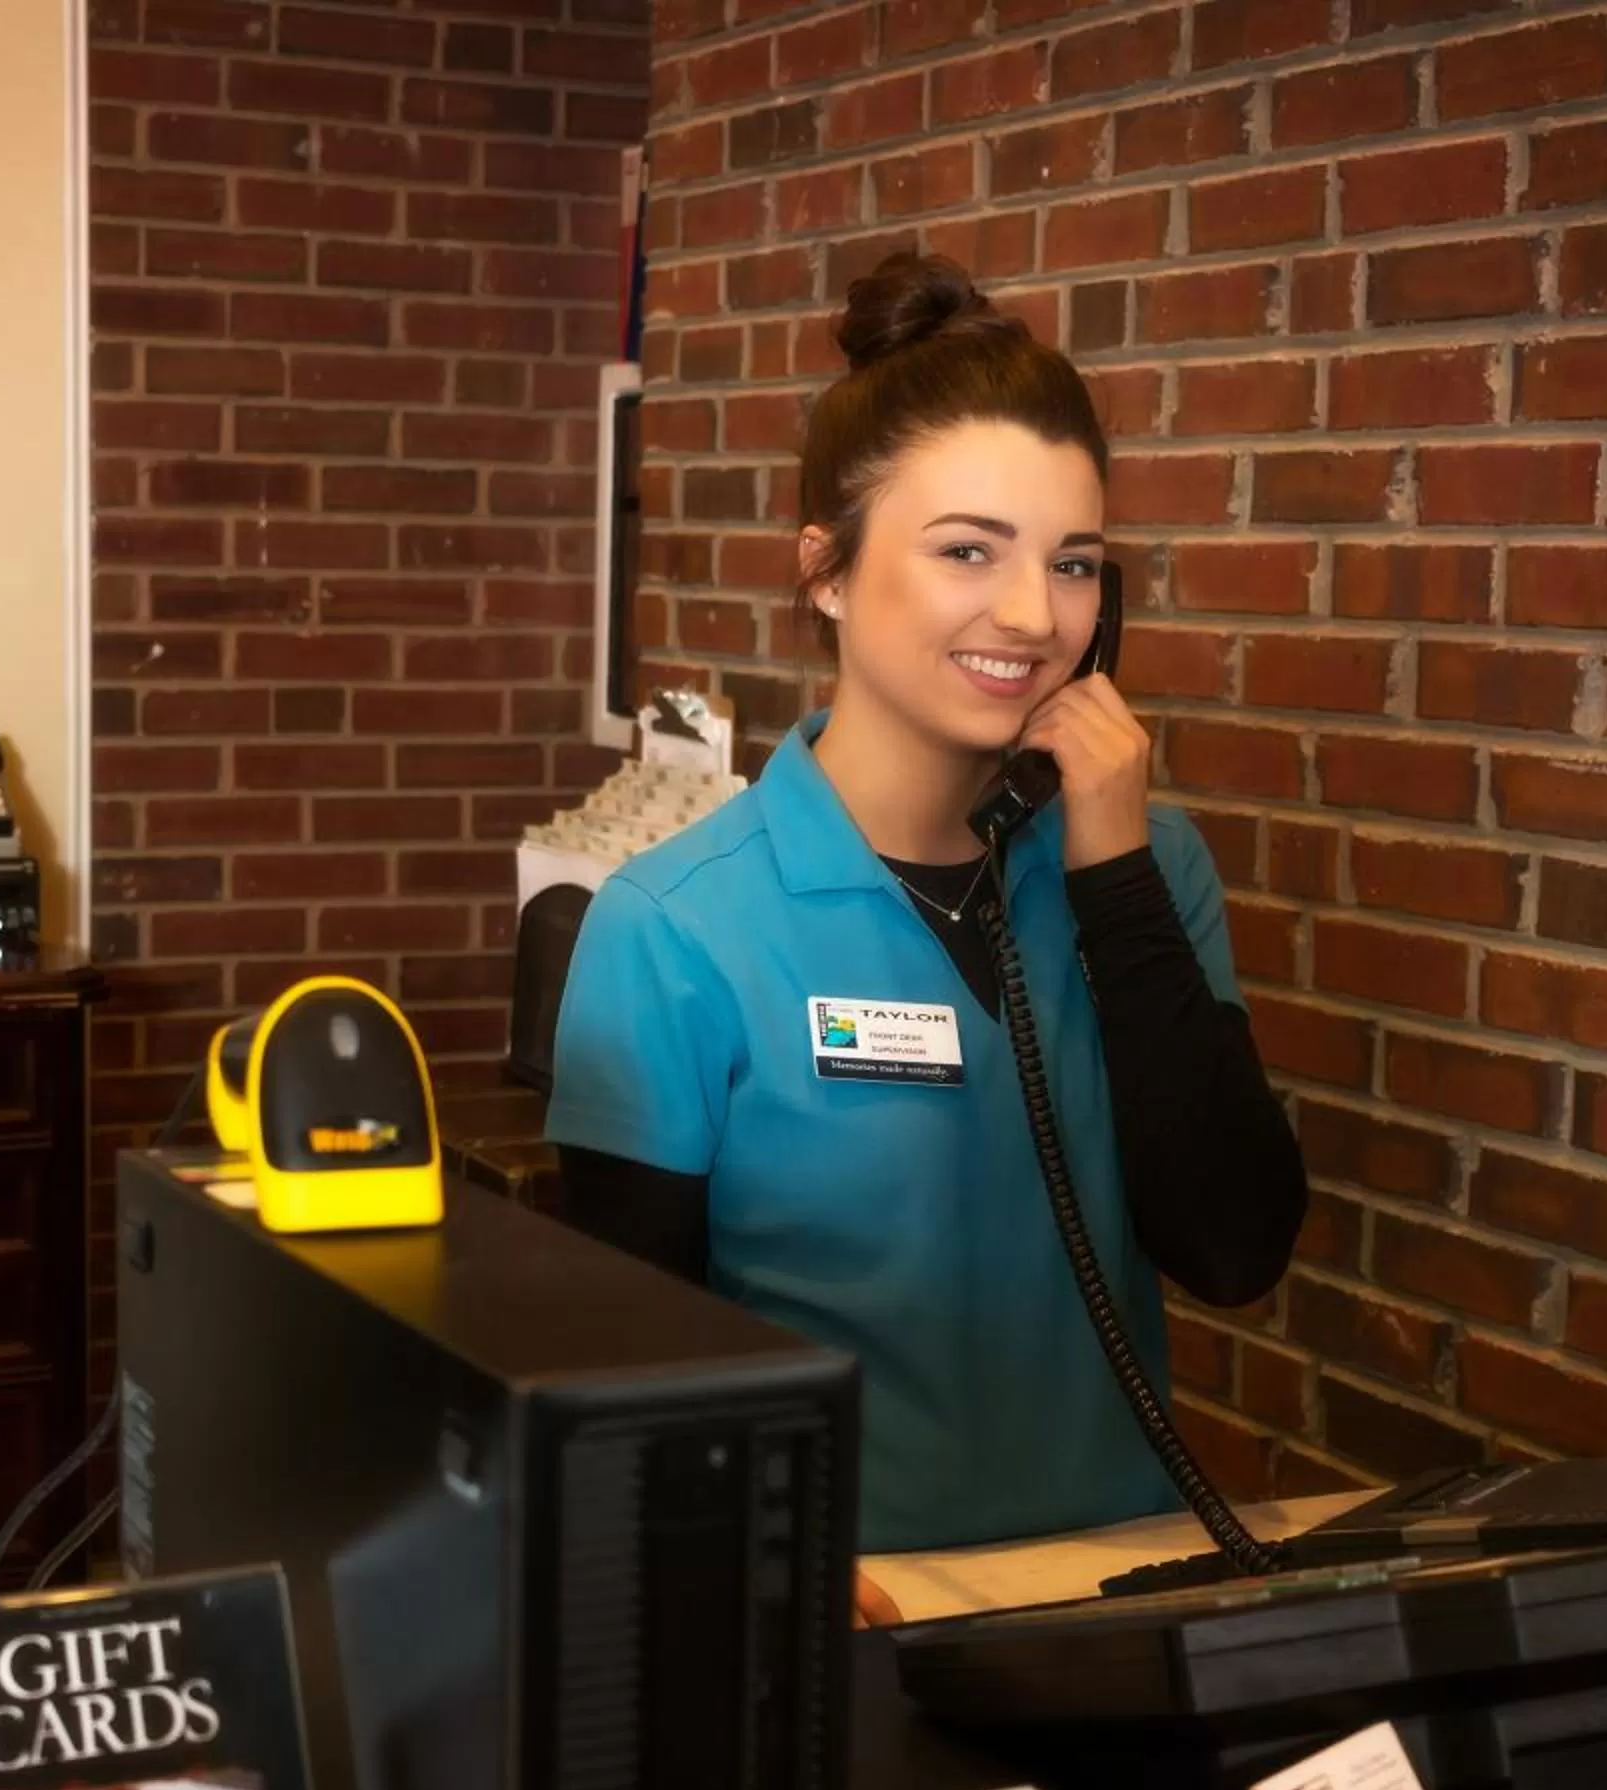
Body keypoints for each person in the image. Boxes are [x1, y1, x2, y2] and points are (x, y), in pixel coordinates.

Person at [544, 254, 1308, 1621]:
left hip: (1123, 1594)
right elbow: (620, 1392)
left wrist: (1115, 877)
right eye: (968, 551)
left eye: (1073, 565)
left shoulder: (1149, 870)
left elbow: (1233, 1250)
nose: (1032, 616)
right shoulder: (675, 927)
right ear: (826, 573)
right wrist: (755, 1574)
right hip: (841, 1615)